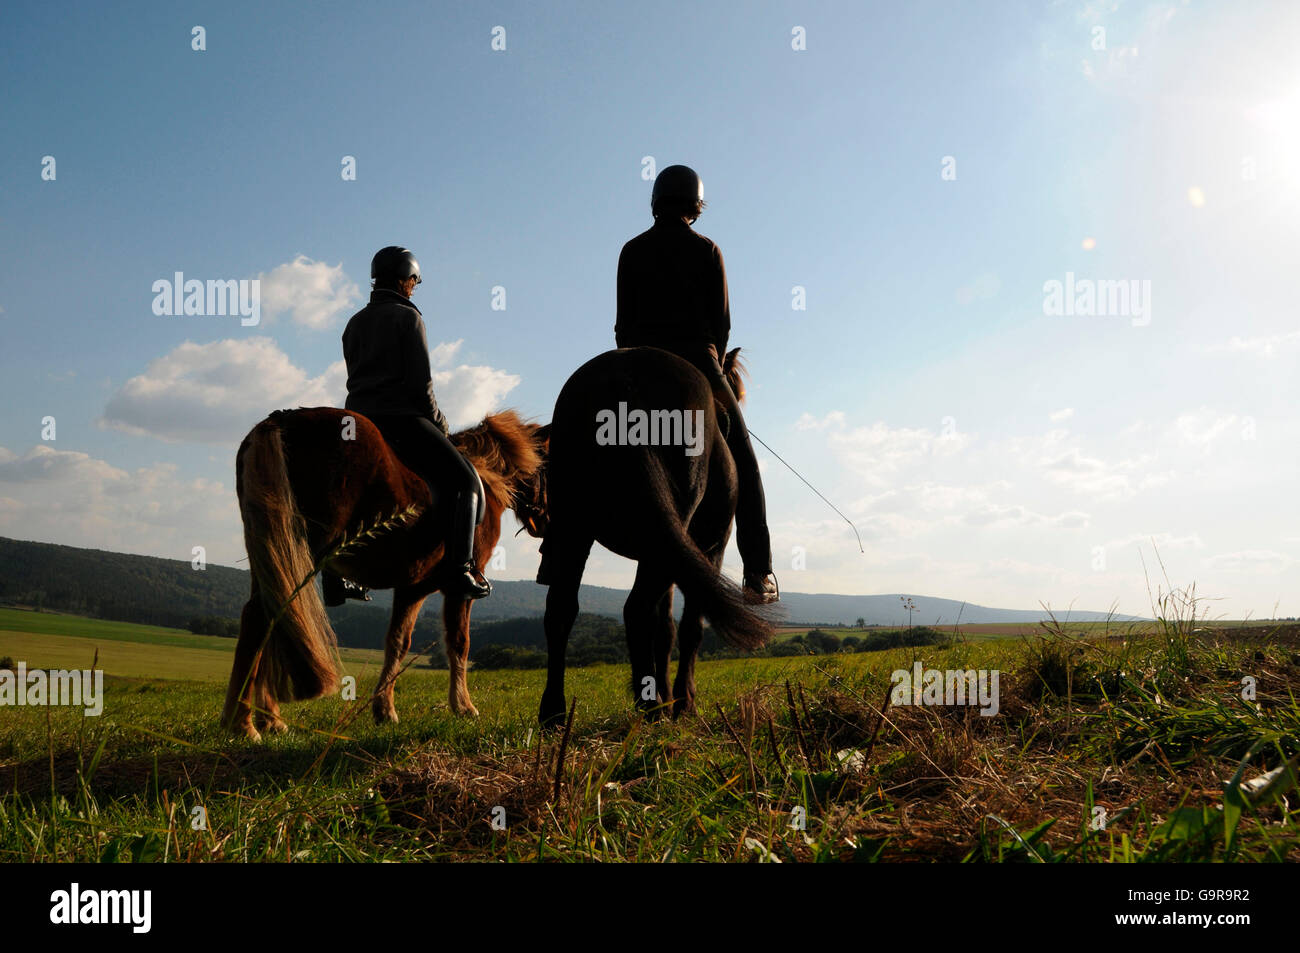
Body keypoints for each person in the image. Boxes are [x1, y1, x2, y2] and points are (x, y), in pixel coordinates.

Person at [614, 165, 778, 604]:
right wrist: (715, 367)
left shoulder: (631, 250)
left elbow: (622, 326)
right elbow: (722, 326)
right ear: (695, 205)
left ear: (656, 201)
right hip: (698, 361)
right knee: (744, 462)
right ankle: (758, 572)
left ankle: (557, 550)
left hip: (636, 363)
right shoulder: (707, 250)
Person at [323, 245, 491, 606]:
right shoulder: (408, 317)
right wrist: (441, 423)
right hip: (402, 419)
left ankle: (334, 578)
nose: (415, 287)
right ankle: (460, 568)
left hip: (360, 421)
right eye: (414, 280)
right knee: (465, 482)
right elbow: (420, 386)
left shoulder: (354, 322)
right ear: (404, 280)